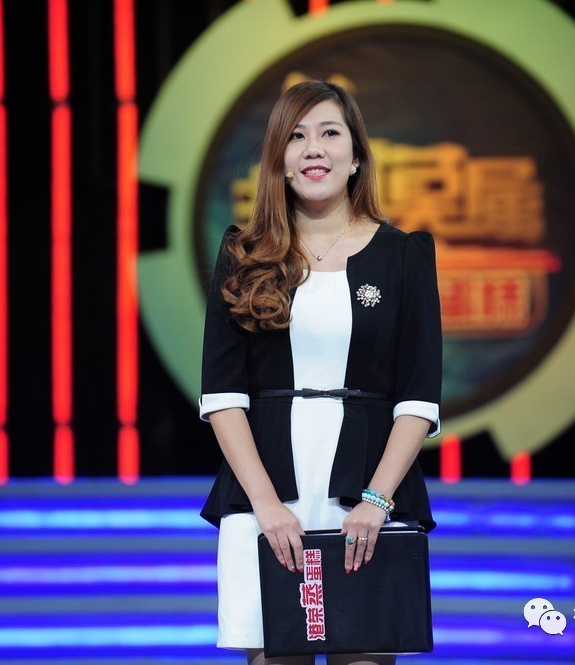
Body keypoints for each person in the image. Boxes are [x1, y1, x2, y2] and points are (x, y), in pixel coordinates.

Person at [198, 79, 442, 665]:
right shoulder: (245, 254)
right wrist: (266, 505)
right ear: (279, 161)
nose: (314, 149)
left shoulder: (404, 256)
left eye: (330, 133)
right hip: (266, 498)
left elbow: (418, 399)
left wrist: (376, 501)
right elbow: (223, 395)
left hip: (367, 502)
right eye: (297, 136)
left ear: (356, 155)